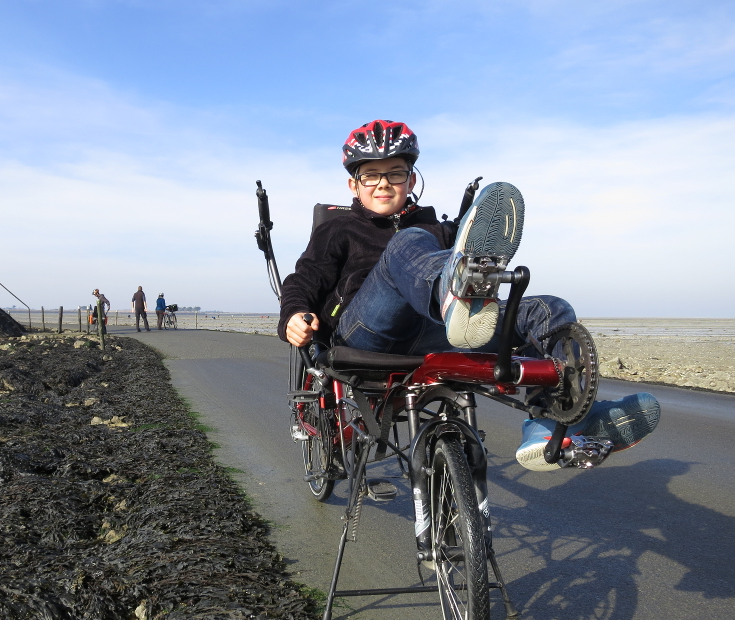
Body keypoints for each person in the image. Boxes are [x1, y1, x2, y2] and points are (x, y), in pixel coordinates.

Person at [278, 119, 659, 471]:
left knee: (550, 309)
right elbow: (304, 277)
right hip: (367, 329)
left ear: (411, 181)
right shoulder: (339, 229)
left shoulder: (439, 229)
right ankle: (454, 294)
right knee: (407, 243)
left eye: (395, 173)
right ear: (353, 185)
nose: (383, 184)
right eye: (371, 175)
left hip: (434, 328)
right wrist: (294, 314)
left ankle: (551, 421)